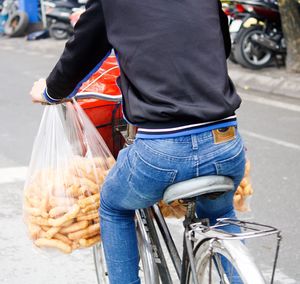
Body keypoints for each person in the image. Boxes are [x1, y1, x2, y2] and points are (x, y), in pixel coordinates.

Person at [30, 0, 246, 283]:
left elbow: (81, 53)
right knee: (219, 215)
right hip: (226, 142)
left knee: (113, 206)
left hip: (161, 152)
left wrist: (49, 91)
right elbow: (220, 45)